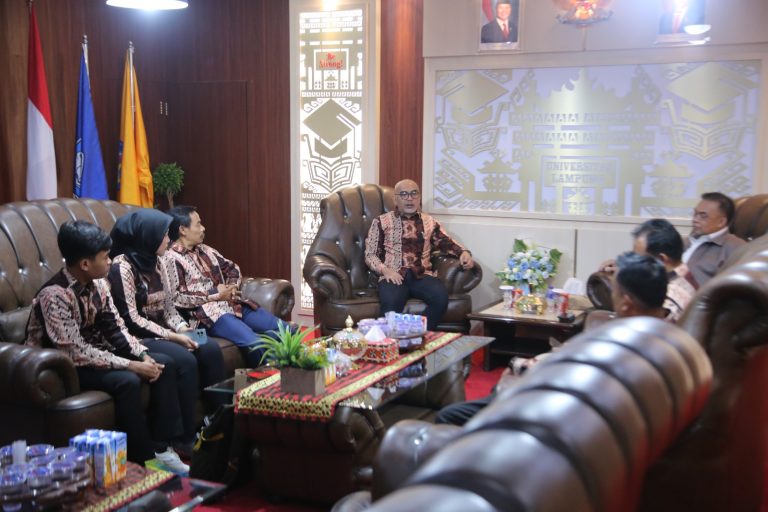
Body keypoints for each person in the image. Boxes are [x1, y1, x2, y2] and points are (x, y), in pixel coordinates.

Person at [24, 221, 190, 472]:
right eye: (105, 257)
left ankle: (162, 447)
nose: (110, 261)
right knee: (127, 381)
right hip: (63, 366)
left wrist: (142, 355)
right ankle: (142, 461)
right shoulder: (55, 295)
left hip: (96, 351)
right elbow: (74, 352)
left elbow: (115, 328)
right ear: (85, 264)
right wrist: (130, 365)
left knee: (162, 364)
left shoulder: (99, 284)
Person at [436, 252, 668, 426]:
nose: (611, 297)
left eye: (614, 291)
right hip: (544, 391)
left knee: (448, 415)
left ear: (626, 303)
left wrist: (522, 368)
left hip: (538, 403)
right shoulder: (656, 336)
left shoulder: (620, 343)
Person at [107, 208, 227, 420]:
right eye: (163, 235)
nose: (169, 239)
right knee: (185, 360)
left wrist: (183, 329)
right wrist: (174, 336)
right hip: (141, 337)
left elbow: (169, 308)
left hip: (168, 331)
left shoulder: (160, 261)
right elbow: (132, 320)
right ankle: (186, 431)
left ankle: (218, 419)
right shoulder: (122, 268)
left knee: (209, 346)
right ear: (148, 237)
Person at [164, 205, 290, 367]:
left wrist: (231, 287)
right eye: (198, 224)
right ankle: (274, 380)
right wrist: (215, 294)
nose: (203, 228)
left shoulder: (206, 250)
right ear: (183, 230)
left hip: (234, 305)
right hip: (209, 315)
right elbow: (177, 298)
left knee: (285, 330)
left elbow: (232, 268)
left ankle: (304, 371)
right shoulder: (170, 258)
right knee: (255, 343)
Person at [364, 179, 474, 331]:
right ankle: (391, 342)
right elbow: (370, 254)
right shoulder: (381, 222)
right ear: (395, 199)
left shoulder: (429, 222)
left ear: (419, 197)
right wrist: (385, 270)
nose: (410, 198)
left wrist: (463, 252)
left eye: (414, 193)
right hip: (393, 275)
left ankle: (417, 333)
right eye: (404, 194)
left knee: (440, 298)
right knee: (391, 304)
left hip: (422, 275)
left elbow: (446, 242)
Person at [682, 192, 745, 286]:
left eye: (703, 216)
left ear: (721, 222)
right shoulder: (686, 241)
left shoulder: (736, 248)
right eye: (695, 213)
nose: (695, 219)